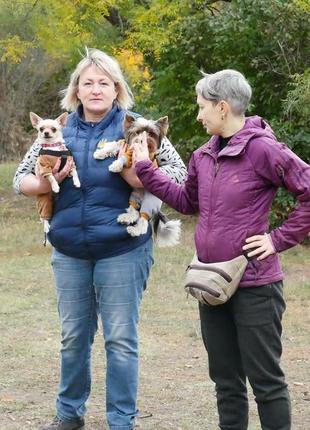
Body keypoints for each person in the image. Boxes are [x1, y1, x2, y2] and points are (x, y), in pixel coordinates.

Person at [13, 48, 187, 430]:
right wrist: (44, 181)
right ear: (76, 90)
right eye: (87, 82)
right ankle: (69, 414)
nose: (95, 89)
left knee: (120, 340)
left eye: (103, 82)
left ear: (117, 88)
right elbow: (20, 178)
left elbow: (179, 174)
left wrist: (140, 174)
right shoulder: (59, 129)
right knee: (74, 338)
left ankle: (121, 421)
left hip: (122, 247)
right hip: (70, 249)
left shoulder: (137, 125)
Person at [133, 69, 310, 430]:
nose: (198, 115)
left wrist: (276, 240)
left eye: (202, 107)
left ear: (223, 107)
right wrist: (145, 170)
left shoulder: (263, 148)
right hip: (211, 284)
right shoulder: (202, 156)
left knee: (266, 382)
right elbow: (186, 201)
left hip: (256, 286)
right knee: (226, 382)